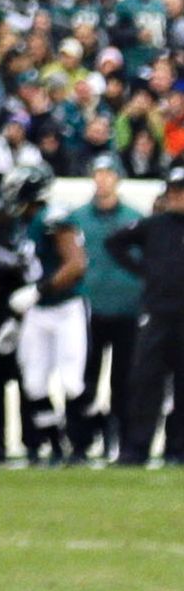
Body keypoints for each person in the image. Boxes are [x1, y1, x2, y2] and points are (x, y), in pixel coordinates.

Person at [0, 169, 85, 464]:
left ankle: (85, 442)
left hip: (66, 308)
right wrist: (14, 319)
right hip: (37, 312)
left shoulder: (53, 216)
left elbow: (75, 265)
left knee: (71, 382)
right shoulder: (24, 222)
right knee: (33, 383)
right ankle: (56, 446)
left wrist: (39, 291)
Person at [71, 159, 148, 461]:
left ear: (118, 179)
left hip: (127, 310)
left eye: (109, 174)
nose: (103, 180)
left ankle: (122, 442)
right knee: (83, 378)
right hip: (88, 309)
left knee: (124, 380)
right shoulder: (78, 218)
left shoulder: (134, 218)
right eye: (98, 174)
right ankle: (82, 440)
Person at [107, 175, 184, 467]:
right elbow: (114, 242)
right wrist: (143, 270)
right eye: (174, 191)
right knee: (145, 382)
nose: (177, 197)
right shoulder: (155, 225)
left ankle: (178, 448)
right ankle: (137, 447)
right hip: (157, 313)